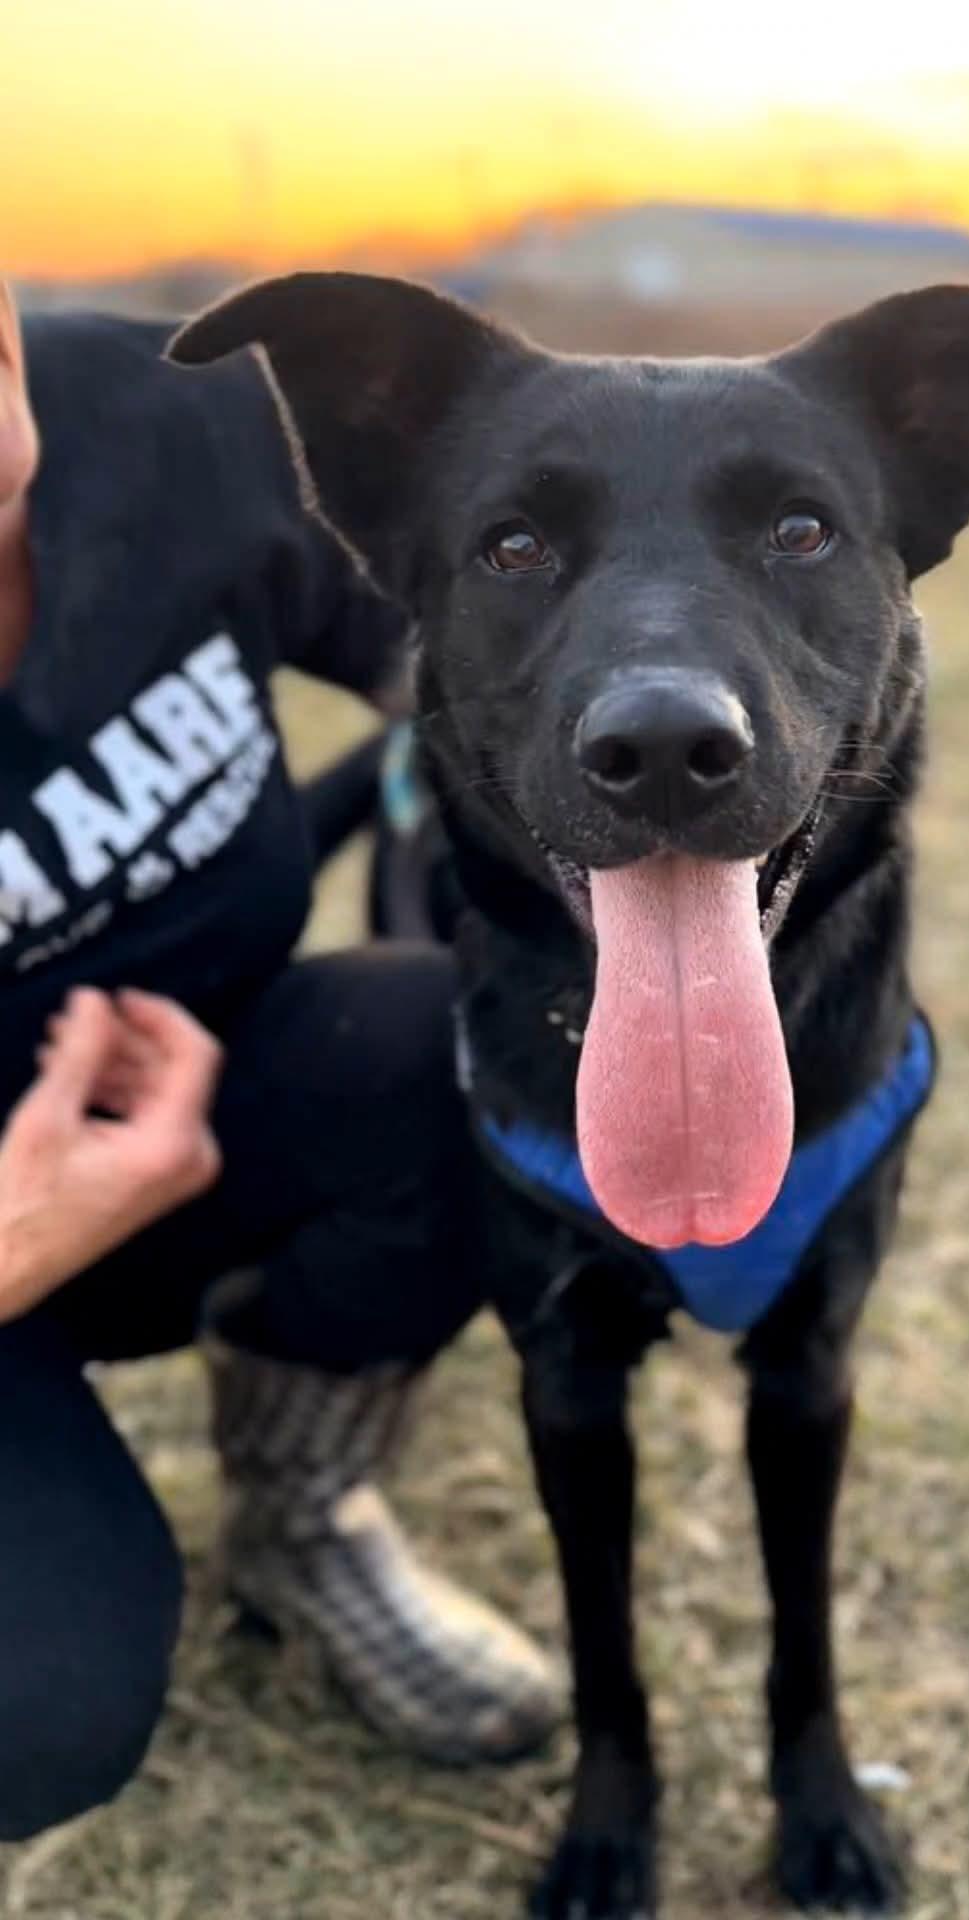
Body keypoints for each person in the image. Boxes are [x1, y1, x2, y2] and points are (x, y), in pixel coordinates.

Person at [0, 284, 561, 1845]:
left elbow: (479, 660)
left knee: (478, 1050)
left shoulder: (160, 412)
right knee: (36, 1706)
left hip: (218, 1099)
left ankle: (303, 1519)